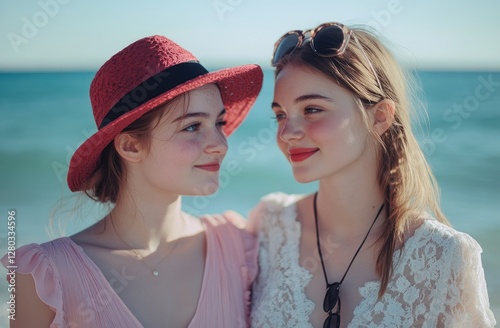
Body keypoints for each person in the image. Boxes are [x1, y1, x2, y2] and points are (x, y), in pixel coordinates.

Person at [2, 35, 263, 327]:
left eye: (219, 123)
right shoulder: (46, 278)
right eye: (192, 126)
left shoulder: (238, 246)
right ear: (130, 147)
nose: (221, 145)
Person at [249, 22, 496, 327]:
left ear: (380, 116)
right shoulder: (270, 224)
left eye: (312, 109)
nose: (287, 133)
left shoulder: (443, 257)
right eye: (280, 115)